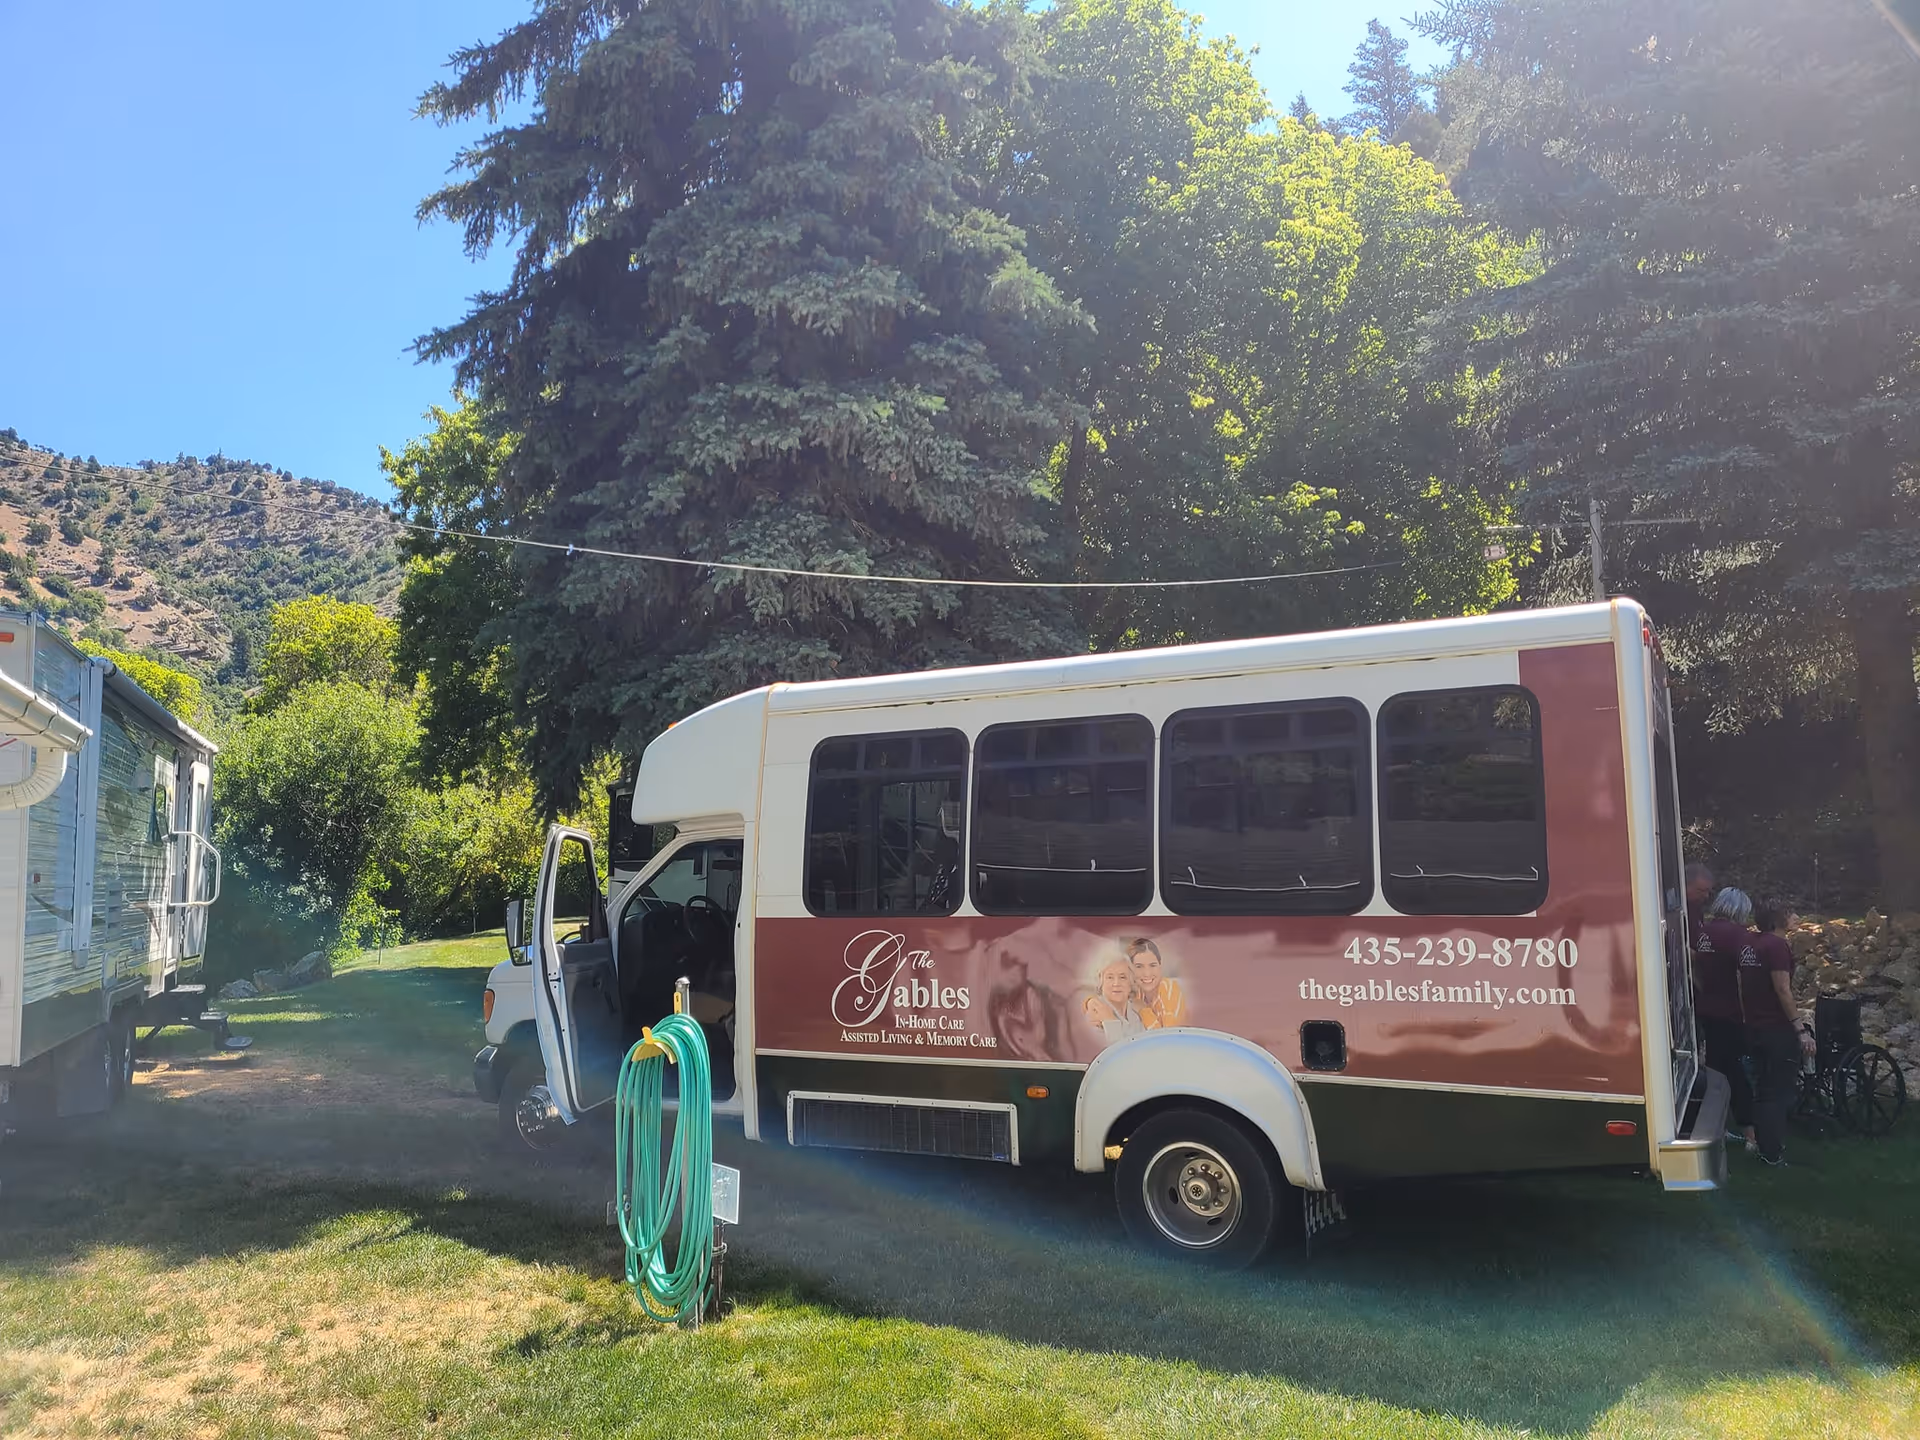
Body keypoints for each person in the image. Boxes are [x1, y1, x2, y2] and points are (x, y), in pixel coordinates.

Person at [1742, 897, 1814, 1167]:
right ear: (1777, 918)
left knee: (1762, 1089)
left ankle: (1760, 1143)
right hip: (1776, 1030)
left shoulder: (1751, 944)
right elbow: (1782, 989)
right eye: (1790, 912)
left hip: (1755, 1026)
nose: (1796, 915)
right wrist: (1800, 1029)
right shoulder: (1777, 946)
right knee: (1777, 1093)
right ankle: (1772, 1154)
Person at [1696, 887, 1757, 1150]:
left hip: (1706, 1011)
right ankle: (1751, 1133)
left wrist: (1704, 992)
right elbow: (1745, 981)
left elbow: (1694, 967)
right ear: (1741, 910)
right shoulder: (1741, 937)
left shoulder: (1703, 933)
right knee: (1737, 1072)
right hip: (1732, 1013)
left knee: (1715, 1071)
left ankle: (1716, 1128)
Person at [1083, 956, 1153, 1044]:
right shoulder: (1094, 1014)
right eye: (1110, 977)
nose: (1116, 983)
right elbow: (1113, 1054)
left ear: (1131, 982)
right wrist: (1110, 1022)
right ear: (1101, 982)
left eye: (1122, 977)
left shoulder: (1136, 1012)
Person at [1126, 938, 1188, 1028]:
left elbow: (1168, 1038)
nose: (1147, 973)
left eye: (1152, 965)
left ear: (1160, 965)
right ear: (1130, 969)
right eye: (1139, 966)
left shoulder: (1169, 988)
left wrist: (1144, 1010)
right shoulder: (1136, 992)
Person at [1685, 863, 1715, 955]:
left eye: (1708, 891)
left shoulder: (1696, 907)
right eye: (1701, 890)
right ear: (1686, 885)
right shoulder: (1676, 912)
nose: (1706, 896)